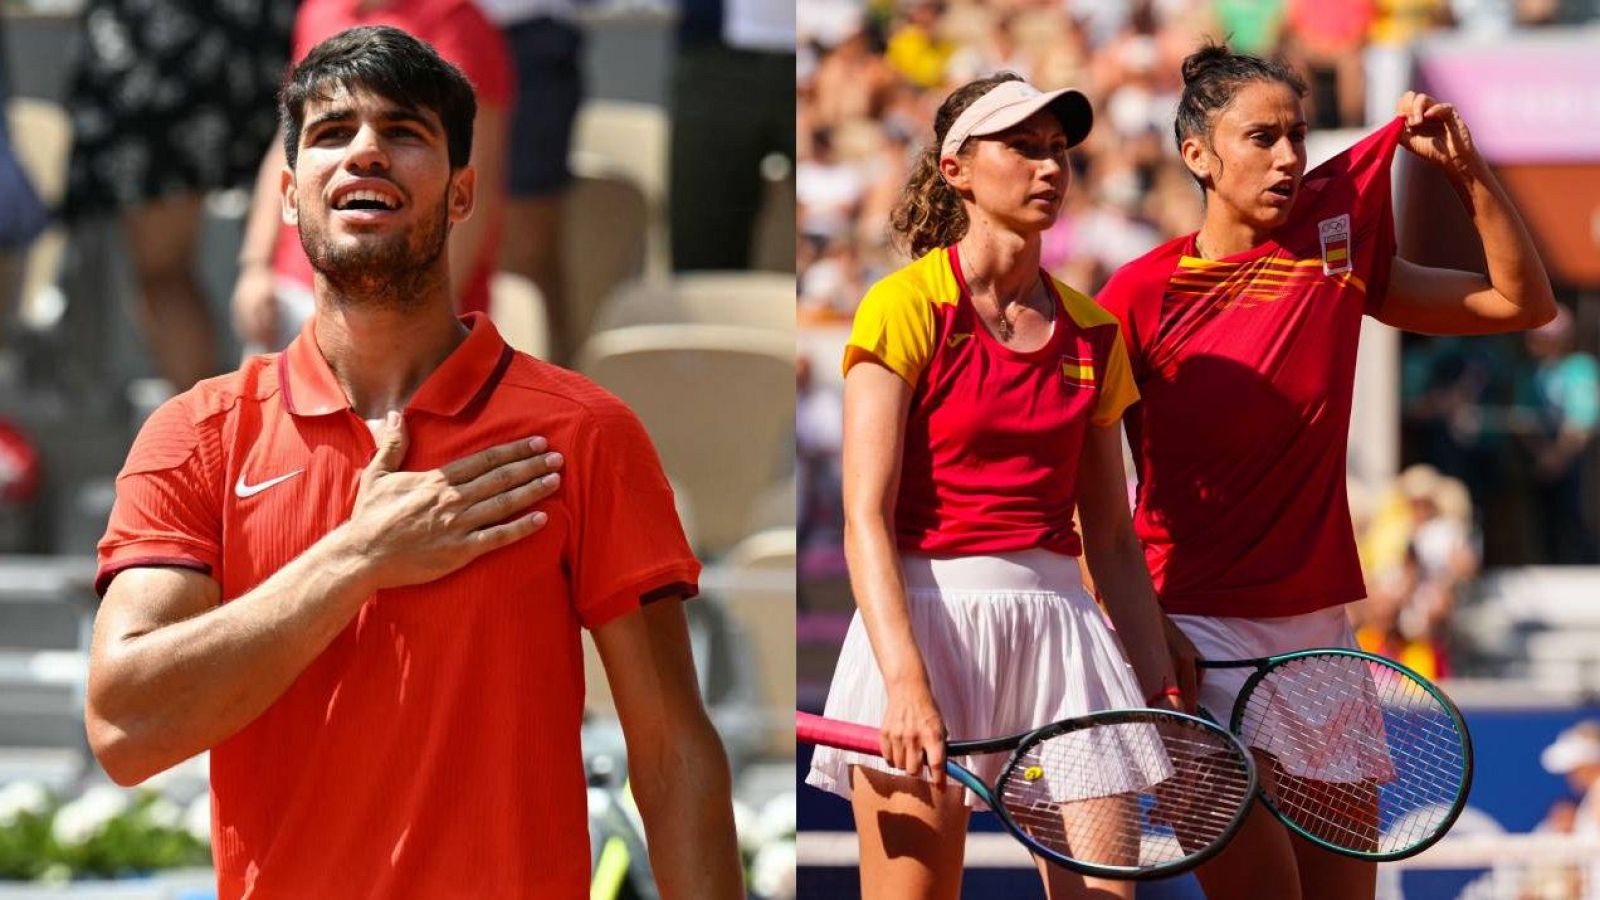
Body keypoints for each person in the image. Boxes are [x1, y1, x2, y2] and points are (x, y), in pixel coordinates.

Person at [86, 27, 741, 899]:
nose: (364, 151)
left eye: (403, 132)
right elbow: (126, 726)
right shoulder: (196, 434)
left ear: (463, 192)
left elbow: (673, 756)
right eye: (330, 133)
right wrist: (357, 558)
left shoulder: (586, 432)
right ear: (287, 196)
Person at [1095, 41, 1555, 900]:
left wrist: (1469, 174)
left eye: (1299, 136)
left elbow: (1519, 302)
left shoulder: (1336, 253)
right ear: (1197, 155)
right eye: (1261, 137)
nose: (1289, 158)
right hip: (1195, 639)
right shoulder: (1135, 297)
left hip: (1319, 641)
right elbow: (1084, 495)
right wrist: (1146, 629)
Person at [804, 73, 1183, 900]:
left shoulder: (1093, 330)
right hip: (921, 624)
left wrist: (1158, 687)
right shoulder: (902, 306)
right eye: (1023, 147)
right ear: (957, 169)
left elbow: (1112, 539)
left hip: (1064, 635)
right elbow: (863, 516)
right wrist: (906, 683)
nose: (1049, 167)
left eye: (1058, 151)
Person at [231, 0, 511, 354]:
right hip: (293, 295)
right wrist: (255, 267)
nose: (364, 151)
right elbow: (287, 146)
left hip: (417, 317)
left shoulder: (459, 23)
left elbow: (477, 178)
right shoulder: (318, 12)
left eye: (401, 131)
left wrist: (429, 309)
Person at [63, 0, 296, 389]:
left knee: (163, 272)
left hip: (155, 43)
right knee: (290, 247)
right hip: (260, 30)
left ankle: (213, 439)